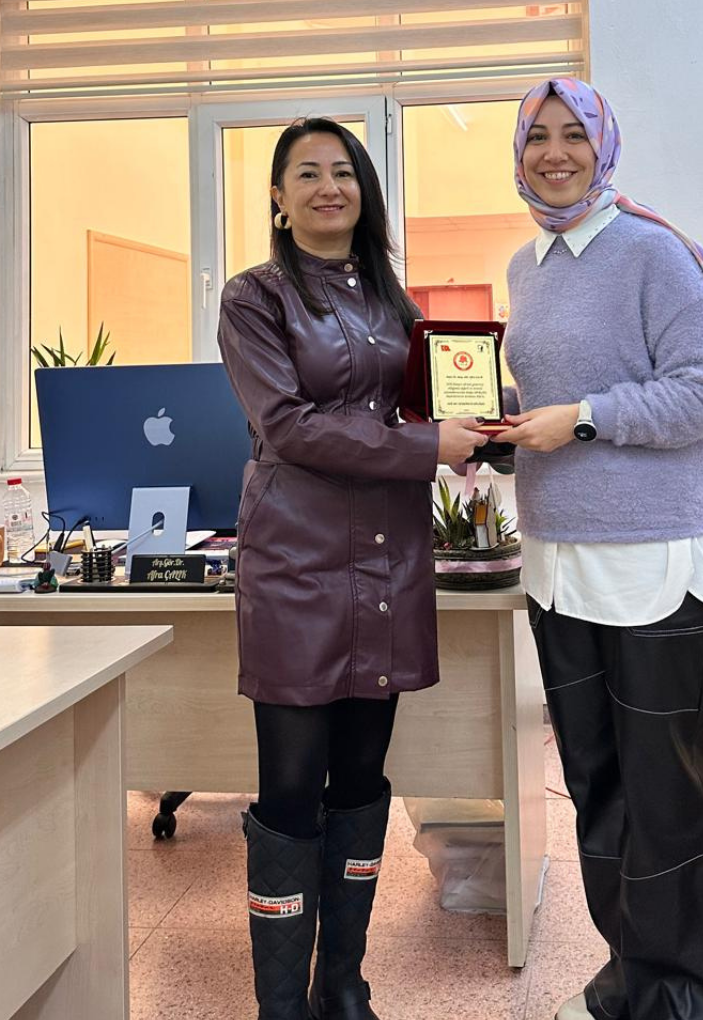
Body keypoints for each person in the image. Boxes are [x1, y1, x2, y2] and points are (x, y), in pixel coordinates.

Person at [492, 78, 703, 1020]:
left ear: (604, 147)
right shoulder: (527, 265)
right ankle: (634, 979)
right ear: (518, 153)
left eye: (574, 135)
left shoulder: (652, 251)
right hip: (556, 562)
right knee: (598, 789)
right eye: (538, 137)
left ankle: (694, 1000)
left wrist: (585, 418)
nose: (555, 153)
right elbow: (552, 405)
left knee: (669, 800)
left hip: (652, 560)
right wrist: (505, 430)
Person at [217, 117, 488, 1020]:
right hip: (296, 564)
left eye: (344, 171)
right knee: (292, 787)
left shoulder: (390, 301)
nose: (328, 186)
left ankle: (341, 985)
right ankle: (281, 1006)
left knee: (364, 779)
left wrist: (489, 422)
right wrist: (426, 448)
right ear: (278, 197)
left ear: (364, 190)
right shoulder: (253, 298)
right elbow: (288, 427)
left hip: (388, 562)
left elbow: (425, 406)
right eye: (307, 173)